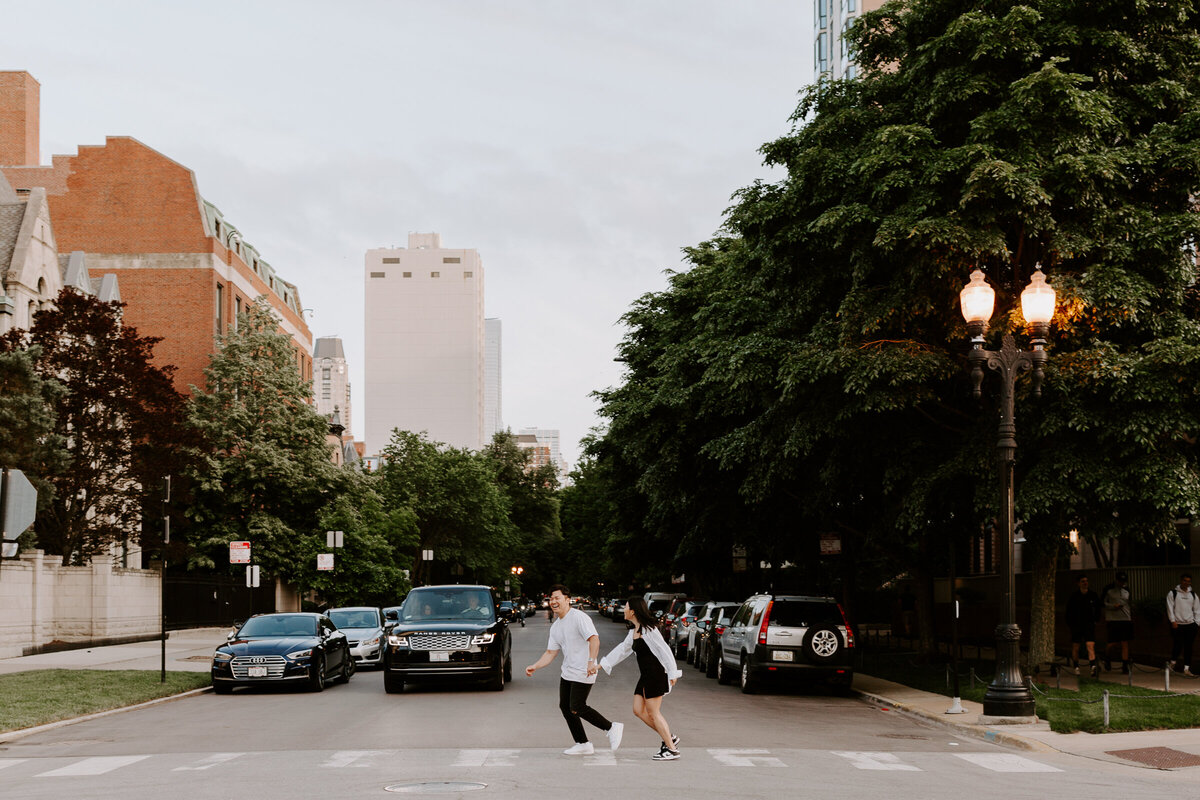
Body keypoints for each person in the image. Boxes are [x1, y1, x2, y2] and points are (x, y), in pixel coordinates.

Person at [525, 584, 623, 756]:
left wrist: (591, 662)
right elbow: (550, 652)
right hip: (568, 671)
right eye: (551, 599)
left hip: (585, 670)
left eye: (557, 598)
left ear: (567, 599)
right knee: (565, 706)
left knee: (577, 706)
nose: (553, 602)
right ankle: (583, 743)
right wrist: (536, 665)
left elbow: (594, 640)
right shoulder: (556, 626)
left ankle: (611, 727)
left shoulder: (579, 617)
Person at [600, 596, 684, 761]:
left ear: (632, 611)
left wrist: (673, 673)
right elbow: (622, 650)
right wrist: (601, 665)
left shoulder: (649, 630)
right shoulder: (634, 631)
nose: (623, 609)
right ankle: (669, 736)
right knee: (638, 710)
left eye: (625, 606)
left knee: (653, 712)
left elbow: (664, 650)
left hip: (656, 675)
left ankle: (672, 749)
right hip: (646, 675)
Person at [1065, 574, 1102, 677]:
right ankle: (1076, 666)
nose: (1085, 583)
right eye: (1083, 581)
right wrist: (1070, 624)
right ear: (1078, 583)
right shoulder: (1074, 596)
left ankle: (1092, 666)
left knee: (1090, 645)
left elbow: (1098, 609)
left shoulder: (1093, 595)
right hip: (1076, 625)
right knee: (1076, 646)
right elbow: (1068, 611)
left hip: (1089, 624)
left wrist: (1096, 620)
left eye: (1086, 581)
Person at [1167, 573, 1200, 674]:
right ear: (1181, 581)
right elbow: (1170, 608)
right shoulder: (1173, 593)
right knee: (1177, 645)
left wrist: (1197, 623)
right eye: (1184, 580)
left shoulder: (1193, 595)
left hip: (1190, 625)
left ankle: (1186, 668)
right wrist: (1173, 621)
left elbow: (1197, 610)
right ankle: (1172, 663)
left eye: (1188, 581)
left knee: (1189, 646)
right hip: (1178, 624)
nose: (1186, 583)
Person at [1100, 571, 1133, 674]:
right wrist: (1112, 606)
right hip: (1113, 619)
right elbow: (1102, 602)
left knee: (1125, 642)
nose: (1122, 583)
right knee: (1112, 642)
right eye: (1120, 581)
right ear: (1116, 580)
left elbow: (1129, 602)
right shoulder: (1108, 589)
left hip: (1125, 618)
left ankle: (1125, 665)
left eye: (1123, 581)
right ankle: (1107, 658)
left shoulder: (1127, 589)